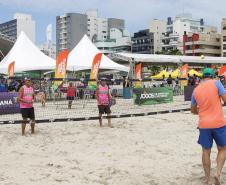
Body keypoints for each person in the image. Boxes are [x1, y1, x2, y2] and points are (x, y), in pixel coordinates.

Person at [191, 68, 226, 185]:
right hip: (218, 123)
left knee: (206, 151)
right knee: (223, 149)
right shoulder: (217, 83)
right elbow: (225, 100)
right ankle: (217, 173)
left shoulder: (196, 90)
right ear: (212, 76)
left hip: (204, 124)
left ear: (202, 77)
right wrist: (221, 104)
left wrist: (200, 112)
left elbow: (192, 110)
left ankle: (207, 179)